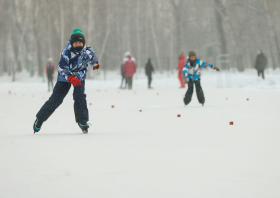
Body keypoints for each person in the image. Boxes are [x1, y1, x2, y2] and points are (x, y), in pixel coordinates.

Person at [33, 28, 100, 134]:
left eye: (80, 42)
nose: (78, 44)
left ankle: (82, 121)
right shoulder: (66, 53)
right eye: (75, 42)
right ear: (72, 43)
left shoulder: (87, 51)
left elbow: (93, 58)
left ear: (83, 43)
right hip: (64, 78)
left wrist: (96, 63)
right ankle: (40, 118)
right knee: (56, 99)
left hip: (79, 77)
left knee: (80, 97)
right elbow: (62, 67)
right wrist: (70, 77)